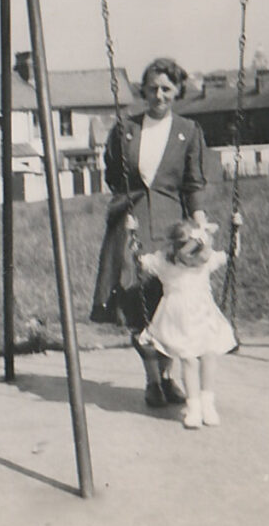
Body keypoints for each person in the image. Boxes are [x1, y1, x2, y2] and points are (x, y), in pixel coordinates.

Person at [90, 57, 214, 409]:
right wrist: (126, 203)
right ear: (143, 89)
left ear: (177, 92)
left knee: (170, 304)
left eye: (166, 89)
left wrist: (199, 226)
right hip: (131, 221)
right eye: (153, 88)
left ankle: (168, 376)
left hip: (172, 226)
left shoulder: (188, 131)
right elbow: (113, 172)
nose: (158, 95)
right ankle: (151, 382)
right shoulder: (125, 128)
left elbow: (193, 184)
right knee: (135, 303)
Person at [137, 219, 239, 428]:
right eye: (196, 255)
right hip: (178, 318)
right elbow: (139, 261)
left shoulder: (205, 260)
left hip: (203, 315)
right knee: (189, 360)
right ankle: (194, 408)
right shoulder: (164, 263)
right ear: (177, 251)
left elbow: (232, 253)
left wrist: (236, 229)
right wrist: (131, 236)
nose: (200, 261)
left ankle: (207, 404)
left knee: (209, 355)